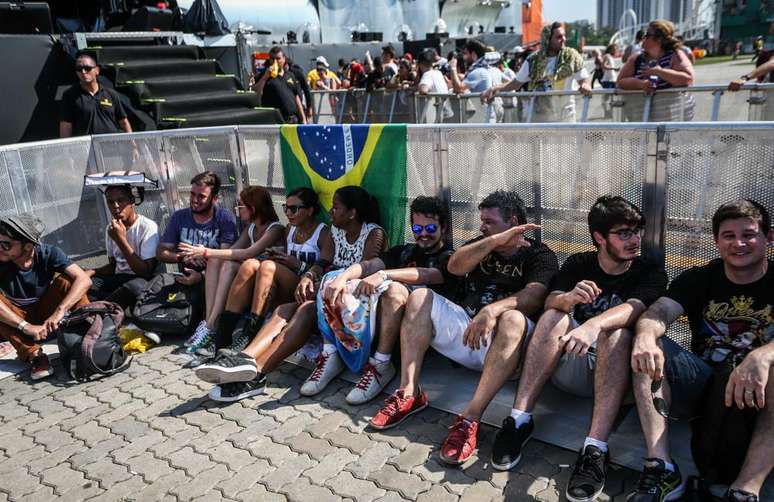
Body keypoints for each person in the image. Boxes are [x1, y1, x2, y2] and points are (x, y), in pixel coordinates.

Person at [369, 191, 558, 468]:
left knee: (513, 319)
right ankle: (409, 393)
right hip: (468, 334)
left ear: (513, 222)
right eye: (482, 221)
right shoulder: (481, 244)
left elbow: (534, 296)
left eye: (489, 222)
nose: (482, 226)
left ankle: (470, 418)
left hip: (507, 348)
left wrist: (492, 310)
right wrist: (493, 240)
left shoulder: (540, 255)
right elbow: (455, 266)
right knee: (420, 297)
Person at [498, 196, 667, 502]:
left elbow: (635, 307)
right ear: (600, 237)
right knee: (552, 316)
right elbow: (550, 301)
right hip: (571, 364)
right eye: (624, 233)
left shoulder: (649, 271)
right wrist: (569, 298)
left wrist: (593, 326)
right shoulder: (579, 264)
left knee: (616, 334)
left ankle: (595, 449)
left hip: (617, 375)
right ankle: (519, 420)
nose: (635, 240)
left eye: (637, 231)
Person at [628, 200, 774, 502]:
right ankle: (662, 467)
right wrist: (644, 336)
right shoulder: (700, 277)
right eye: (729, 236)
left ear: (768, 238)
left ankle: (746, 490)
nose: (739, 243)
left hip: (763, 391)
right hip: (704, 382)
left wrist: (763, 354)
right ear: (717, 242)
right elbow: (659, 311)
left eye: (749, 234)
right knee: (647, 346)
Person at [195, 186, 385, 403]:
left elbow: (368, 271)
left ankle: (256, 374)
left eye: (336, 208)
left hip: (353, 308)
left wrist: (323, 280)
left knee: (304, 310)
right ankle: (244, 359)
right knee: (283, 310)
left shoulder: (373, 234)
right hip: (326, 298)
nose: (331, 211)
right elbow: (323, 262)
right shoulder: (336, 231)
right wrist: (308, 275)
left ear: (352, 213)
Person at [317, 196, 457, 405]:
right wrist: (342, 277)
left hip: (426, 339)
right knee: (332, 279)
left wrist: (384, 275)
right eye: (417, 229)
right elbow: (367, 266)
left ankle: (381, 364)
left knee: (394, 290)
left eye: (430, 228)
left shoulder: (451, 258)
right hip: (389, 329)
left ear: (443, 228)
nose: (424, 234)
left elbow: (428, 274)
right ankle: (333, 354)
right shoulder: (404, 251)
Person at [177, 186, 285, 354]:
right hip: (252, 274)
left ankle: (215, 326)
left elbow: (249, 252)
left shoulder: (275, 229)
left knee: (222, 259)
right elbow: (233, 252)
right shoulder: (250, 228)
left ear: (253, 208)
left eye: (240, 206)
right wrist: (205, 256)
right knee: (217, 261)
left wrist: (206, 251)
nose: (237, 210)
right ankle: (210, 323)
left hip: (271, 282)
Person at [0, 214, 91, 380]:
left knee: (69, 281)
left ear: (27, 246)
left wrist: (59, 312)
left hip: (46, 311)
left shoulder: (49, 253)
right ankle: (35, 356)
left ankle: (91, 335)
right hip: (17, 318)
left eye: (5, 244)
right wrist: (25, 326)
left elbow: (84, 279)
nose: (0, 248)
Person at [155, 171, 238, 351]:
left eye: (201, 196)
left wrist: (202, 266)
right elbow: (161, 253)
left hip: (213, 281)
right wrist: (183, 256)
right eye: (192, 194)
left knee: (214, 266)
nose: (194, 200)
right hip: (185, 279)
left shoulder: (225, 218)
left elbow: (225, 256)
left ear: (215, 198)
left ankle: (209, 330)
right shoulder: (179, 217)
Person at [482, 22, 591, 123]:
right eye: (558, 37)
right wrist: (494, 89)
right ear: (548, 39)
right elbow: (515, 83)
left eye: (564, 35)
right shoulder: (533, 60)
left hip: (565, 117)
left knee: (566, 145)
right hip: (540, 118)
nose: (563, 39)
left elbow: (583, 79)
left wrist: (585, 85)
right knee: (539, 144)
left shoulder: (571, 57)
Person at [86, 185, 159, 309]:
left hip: (141, 280)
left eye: (120, 200)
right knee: (84, 284)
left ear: (132, 201)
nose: (115, 206)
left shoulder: (147, 227)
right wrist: (91, 272)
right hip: (119, 279)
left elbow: (145, 272)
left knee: (135, 288)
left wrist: (120, 240)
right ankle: (106, 305)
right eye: (110, 202)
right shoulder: (111, 228)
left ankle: (101, 306)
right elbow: (112, 266)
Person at [617, 20, 695, 121]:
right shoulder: (637, 58)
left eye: (647, 35)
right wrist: (641, 84)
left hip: (672, 120)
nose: (643, 37)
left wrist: (659, 71)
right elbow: (621, 81)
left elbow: (688, 78)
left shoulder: (675, 55)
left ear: (659, 39)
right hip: (640, 118)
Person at [60, 52, 132, 138]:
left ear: (97, 70)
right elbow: (66, 126)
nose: (83, 72)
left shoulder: (111, 94)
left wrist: (133, 146)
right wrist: (66, 149)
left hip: (111, 145)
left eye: (87, 68)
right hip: (86, 147)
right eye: (79, 69)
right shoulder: (70, 95)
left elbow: (124, 122)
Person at [253, 46, 307, 124]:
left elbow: (296, 97)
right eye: (272, 58)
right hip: (276, 121)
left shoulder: (290, 75)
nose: (275, 61)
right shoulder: (264, 75)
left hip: (293, 119)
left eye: (278, 58)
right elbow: (255, 92)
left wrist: (303, 119)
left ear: (284, 59)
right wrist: (265, 78)